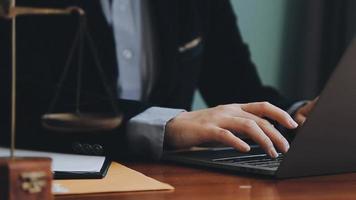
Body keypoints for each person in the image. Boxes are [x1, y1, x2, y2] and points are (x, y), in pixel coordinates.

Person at [0, 0, 316, 160]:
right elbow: (19, 103)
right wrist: (165, 125)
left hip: (168, 182)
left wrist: (296, 115)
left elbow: (237, 86)